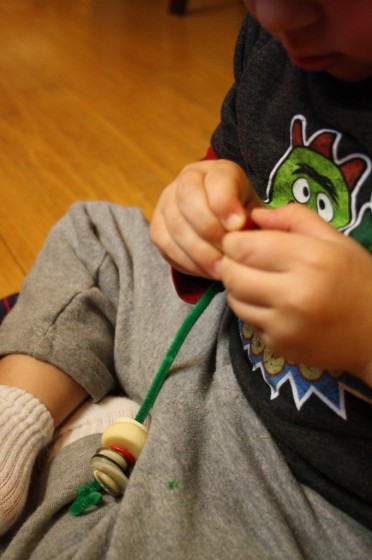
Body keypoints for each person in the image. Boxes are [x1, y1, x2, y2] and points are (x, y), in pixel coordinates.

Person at [0, 0, 371, 557]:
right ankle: (16, 424)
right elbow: (233, 166)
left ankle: (86, 449)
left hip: (316, 495)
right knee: (94, 235)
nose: (282, 18)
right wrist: (203, 197)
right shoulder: (275, 41)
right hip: (219, 347)